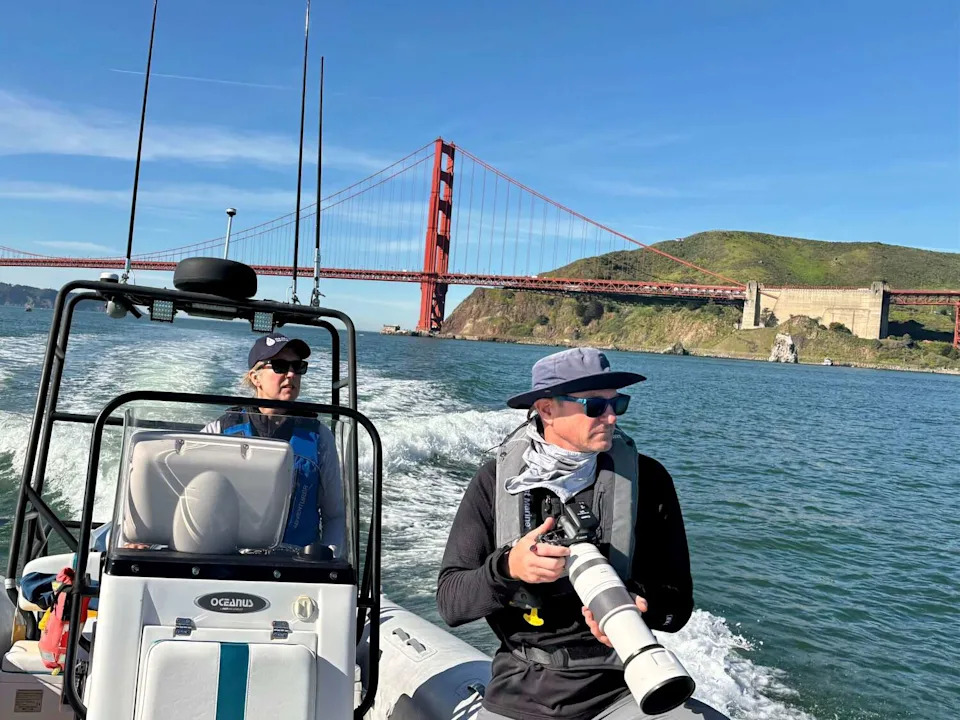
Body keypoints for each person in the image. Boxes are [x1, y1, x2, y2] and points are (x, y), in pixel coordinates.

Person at [437, 347, 693, 720]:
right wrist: (508, 568)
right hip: (521, 689)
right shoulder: (493, 482)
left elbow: (678, 606)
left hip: (623, 685)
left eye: (617, 404)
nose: (610, 417)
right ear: (547, 410)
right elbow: (450, 603)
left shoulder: (648, 480)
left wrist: (638, 604)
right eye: (594, 406)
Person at [202, 332, 345, 556]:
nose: (291, 374)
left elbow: (334, 514)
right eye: (279, 366)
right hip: (229, 560)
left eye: (297, 367)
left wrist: (328, 558)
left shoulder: (319, 437)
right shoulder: (220, 431)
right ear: (255, 377)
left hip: (297, 567)